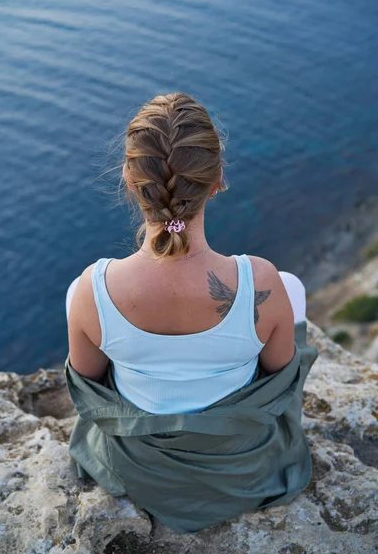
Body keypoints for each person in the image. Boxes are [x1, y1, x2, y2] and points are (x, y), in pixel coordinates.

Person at [64, 93, 317, 533]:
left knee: (77, 305)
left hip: (139, 472)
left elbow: (89, 386)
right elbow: (280, 378)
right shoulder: (259, 281)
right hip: (243, 468)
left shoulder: (92, 290)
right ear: (216, 180)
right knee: (292, 289)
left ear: (128, 179)